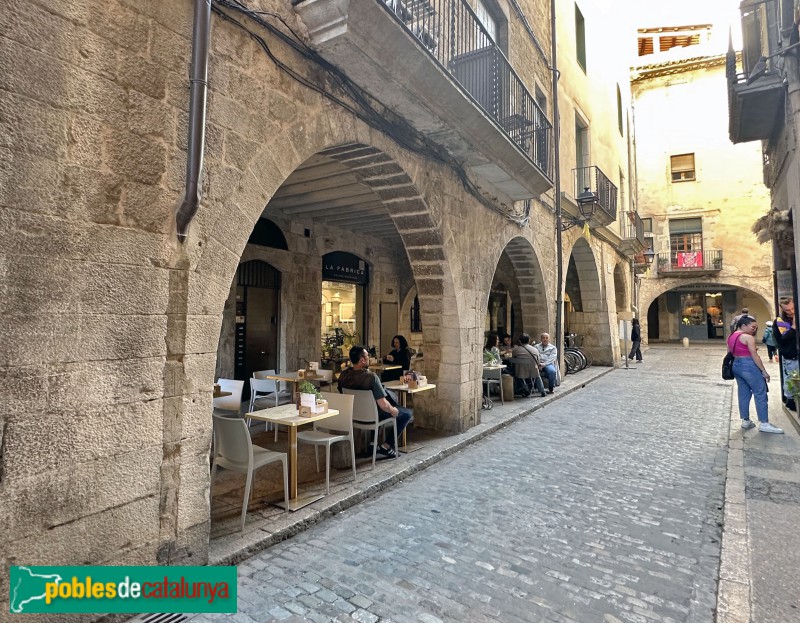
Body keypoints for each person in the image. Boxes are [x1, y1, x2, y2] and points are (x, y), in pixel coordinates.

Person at [339, 345, 413, 458]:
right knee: (406, 413)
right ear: (362, 360)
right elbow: (383, 404)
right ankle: (387, 446)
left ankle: (373, 443)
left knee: (375, 407)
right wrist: (393, 410)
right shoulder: (371, 377)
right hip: (373, 415)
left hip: (355, 415)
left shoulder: (343, 375)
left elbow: (342, 395)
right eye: (367, 356)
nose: (369, 358)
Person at [729, 316, 783, 433]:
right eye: (753, 327)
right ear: (743, 326)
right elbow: (754, 355)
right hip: (748, 365)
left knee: (743, 393)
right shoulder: (748, 337)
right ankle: (764, 422)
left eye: (756, 327)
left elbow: (731, 351)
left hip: (736, 365)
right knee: (760, 393)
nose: (754, 329)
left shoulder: (731, 336)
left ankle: (745, 420)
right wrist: (764, 371)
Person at [774, 296, 798, 410]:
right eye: (788, 310)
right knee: (791, 378)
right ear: (782, 309)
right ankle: (791, 400)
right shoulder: (780, 321)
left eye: (793, 308)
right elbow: (782, 339)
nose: (791, 311)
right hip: (791, 355)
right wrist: (793, 328)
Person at [511, 333, 545, 397]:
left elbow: (513, 359)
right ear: (529, 340)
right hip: (533, 371)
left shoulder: (516, 350)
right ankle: (542, 391)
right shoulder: (535, 349)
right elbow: (538, 361)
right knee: (537, 376)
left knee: (516, 375)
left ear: (520, 341)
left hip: (520, 372)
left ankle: (526, 389)